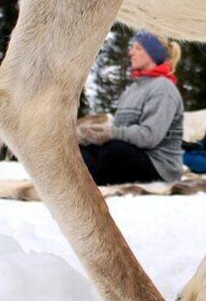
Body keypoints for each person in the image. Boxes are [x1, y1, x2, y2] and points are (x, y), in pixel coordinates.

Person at [77, 31, 184, 185]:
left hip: (158, 165)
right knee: (81, 151)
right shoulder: (132, 89)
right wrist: (93, 136)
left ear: (153, 54)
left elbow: (149, 137)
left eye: (138, 48)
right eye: (132, 47)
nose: (131, 52)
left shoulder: (163, 88)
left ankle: (90, 179)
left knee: (113, 152)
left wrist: (111, 133)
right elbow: (119, 129)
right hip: (131, 153)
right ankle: (86, 178)